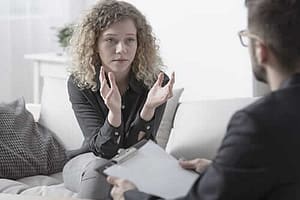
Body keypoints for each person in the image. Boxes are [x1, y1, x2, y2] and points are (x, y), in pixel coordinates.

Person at [107, 0, 300, 199]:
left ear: (261, 50)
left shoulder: (258, 124)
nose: (121, 49)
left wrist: (133, 195)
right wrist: (219, 172)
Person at [64, 0, 175, 199]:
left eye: (130, 40)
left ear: (139, 43)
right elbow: (102, 151)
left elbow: (139, 149)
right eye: (111, 40)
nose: (121, 49)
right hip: (90, 161)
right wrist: (114, 114)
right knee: (102, 169)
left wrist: (148, 108)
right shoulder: (79, 83)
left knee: (157, 173)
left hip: (139, 162)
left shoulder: (156, 82)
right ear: (94, 44)